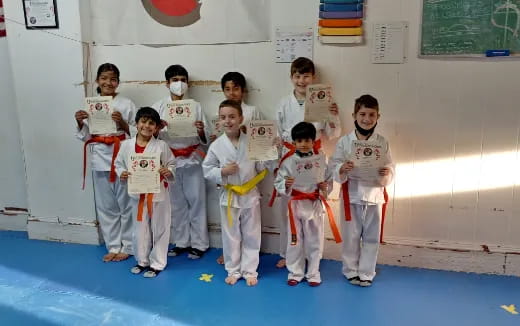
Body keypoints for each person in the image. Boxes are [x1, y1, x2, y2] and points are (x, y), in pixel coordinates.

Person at [272, 57, 341, 268]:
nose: (302, 81)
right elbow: (276, 132)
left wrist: (332, 117)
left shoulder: (322, 101)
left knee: (314, 210)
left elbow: (333, 133)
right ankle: (288, 253)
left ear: (314, 77)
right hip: (290, 158)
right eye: (297, 76)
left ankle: (314, 256)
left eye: (306, 76)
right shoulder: (284, 103)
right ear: (291, 77)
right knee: (289, 207)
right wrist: (277, 159)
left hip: (314, 159)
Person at [202, 100, 275, 286]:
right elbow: (207, 169)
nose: (228, 121)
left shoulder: (252, 141)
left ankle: (250, 271)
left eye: (232, 116)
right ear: (219, 121)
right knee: (231, 235)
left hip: (250, 194)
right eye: (223, 117)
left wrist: (270, 150)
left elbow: (261, 167)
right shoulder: (217, 145)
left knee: (251, 234)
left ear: (241, 118)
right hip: (229, 196)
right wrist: (222, 172)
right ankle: (233, 270)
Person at [329, 94, 394, 287]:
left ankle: (367, 271)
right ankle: (350, 270)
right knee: (351, 235)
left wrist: (386, 172)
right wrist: (342, 168)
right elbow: (334, 163)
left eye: (371, 115)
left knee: (371, 235)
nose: (367, 119)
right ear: (354, 115)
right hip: (352, 193)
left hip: (374, 193)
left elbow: (391, 166)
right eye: (363, 114)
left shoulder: (382, 142)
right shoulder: (344, 141)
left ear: (378, 116)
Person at [74, 63, 136, 262]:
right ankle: (113, 245)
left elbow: (140, 132)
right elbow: (85, 136)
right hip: (100, 157)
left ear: (118, 82)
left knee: (126, 204)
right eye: (104, 78)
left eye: (113, 79)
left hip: (122, 156)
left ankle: (128, 245)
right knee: (106, 206)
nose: (108, 82)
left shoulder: (127, 104)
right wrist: (79, 121)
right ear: (97, 81)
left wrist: (123, 124)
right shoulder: (90, 104)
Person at [152, 64, 210, 259]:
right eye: (175, 80)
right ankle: (181, 241)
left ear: (188, 84)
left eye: (183, 80)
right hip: (170, 160)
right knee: (176, 203)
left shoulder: (196, 106)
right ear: (167, 83)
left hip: (192, 158)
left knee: (196, 200)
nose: (179, 84)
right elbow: (150, 135)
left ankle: (200, 243)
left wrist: (201, 129)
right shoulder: (159, 107)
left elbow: (206, 137)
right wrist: (158, 129)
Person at [274, 122, 340, 286]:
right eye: (300, 141)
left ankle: (313, 272)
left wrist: (325, 187)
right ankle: (295, 272)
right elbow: (278, 181)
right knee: (294, 240)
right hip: (295, 204)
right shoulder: (288, 162)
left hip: (313, 204)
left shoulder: (321, 161)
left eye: (307, 140)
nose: (303, 144)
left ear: (313, 141)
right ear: (294, 142)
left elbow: (328, 180)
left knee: (314, 240)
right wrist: (286, 184)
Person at [115, 107, 176, 278]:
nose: (147, 126)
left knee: (160, 227)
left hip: (158, 193)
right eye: (143, 121)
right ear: (136, 123)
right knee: (139, 229)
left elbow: (172, 164)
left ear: (156, 128)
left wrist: (168, 171)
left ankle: (157, 263)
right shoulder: (125, 145)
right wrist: (122, 173)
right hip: (138, 193)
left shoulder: (161, 145)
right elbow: (118, 164)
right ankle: (142, 261)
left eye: (151, 123)